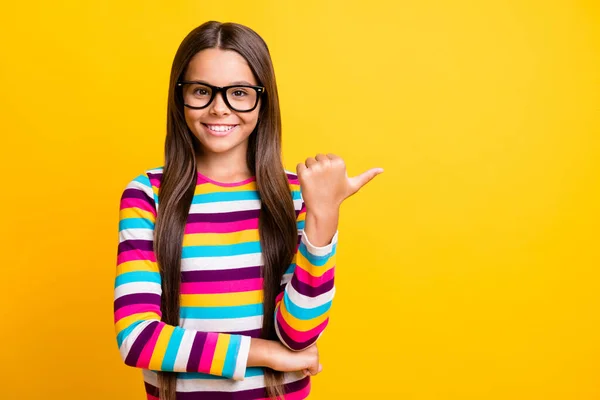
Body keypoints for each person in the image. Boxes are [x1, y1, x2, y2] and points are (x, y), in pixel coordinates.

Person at [113, 20, 383, 400]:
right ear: (179, 97)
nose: (219, 108)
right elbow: (137, 339)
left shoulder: (295, 195)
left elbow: (299, 336)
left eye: (239, 93)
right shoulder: (148, 194)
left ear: (263, 99)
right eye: (202, 91)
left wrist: (323, 218)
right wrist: (263, 353)